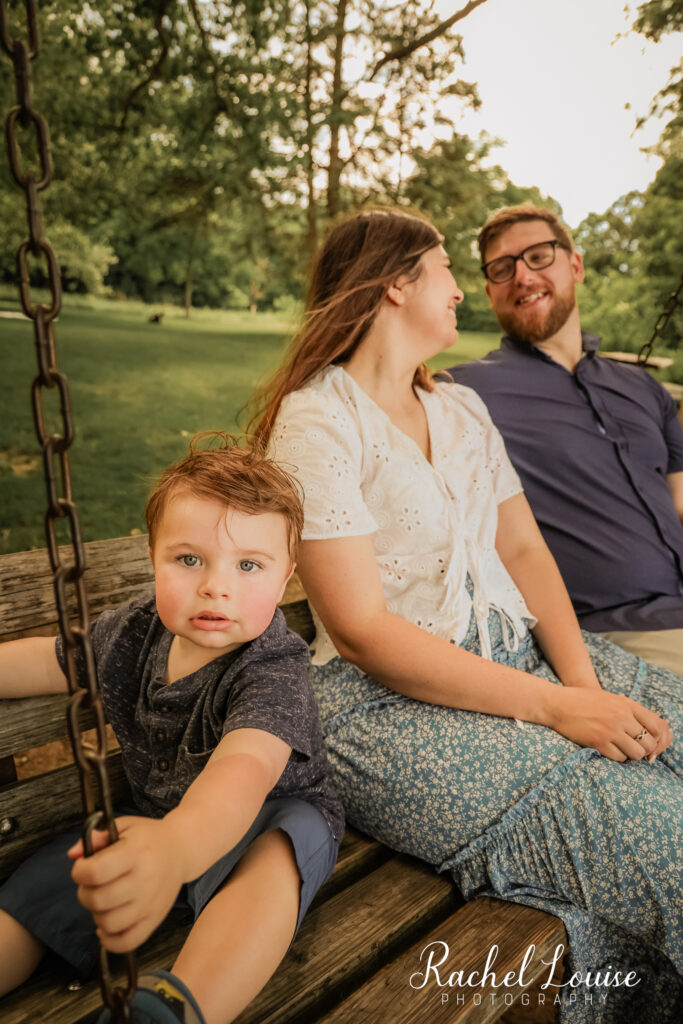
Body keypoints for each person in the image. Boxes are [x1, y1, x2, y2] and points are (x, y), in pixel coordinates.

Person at [252, 208, 683, 1023]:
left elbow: (522, 550)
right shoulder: (317, 421)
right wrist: (557, 708)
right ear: (395, 284)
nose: (459, 289)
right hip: (385, 708)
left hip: (517, 661)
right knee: (670, 843)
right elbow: (362, 631)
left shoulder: (459, 410)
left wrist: (582, 686)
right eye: (448, 267)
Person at [0, 434, 343, 1024]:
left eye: (248, 565)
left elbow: (245, 769)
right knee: (55, 881)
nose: (216, 585)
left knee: (278, 855)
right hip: (157, 822)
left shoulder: (272, 668)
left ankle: (178, 1007)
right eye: (189, 559)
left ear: (286, 577)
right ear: (153, 557)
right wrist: (166, 846)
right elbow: (48, 660)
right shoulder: (134, 632)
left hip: (268, 815)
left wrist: (179, 848)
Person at [448, 204, 683, 677]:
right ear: (490, 291)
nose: (522, 276)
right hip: (611, 637)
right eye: (502, 268)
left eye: (539, 256)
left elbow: (679, 500)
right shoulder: (462, 394)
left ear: (575, 265)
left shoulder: (643, 388)